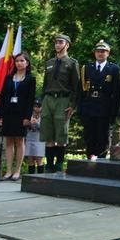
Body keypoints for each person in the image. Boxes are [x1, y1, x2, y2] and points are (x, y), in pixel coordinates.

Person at [41, 34, 80, 172]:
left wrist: (73, 105)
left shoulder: (72, 63)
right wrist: (41, 102)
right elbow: (45, 85)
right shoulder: (49, 62)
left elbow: (76, 87)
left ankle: (59, 164)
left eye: (60, 42)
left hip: (63, 100)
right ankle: (49, 164)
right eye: (56, 42)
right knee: (48, 133)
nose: (57, 45)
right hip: (48, 99)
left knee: (61, 133)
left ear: (67, 45)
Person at [0, 52, 36, 180]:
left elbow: (30, 100)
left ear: (27, 63)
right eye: (17, 61)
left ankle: (17, 170)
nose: (19, 63)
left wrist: (27, 117)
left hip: (21, 114)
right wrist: (0, 114)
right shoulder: (8, 78)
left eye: (22, 61)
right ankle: (8, 170)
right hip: (8, 113)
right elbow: (2, 97)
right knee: (8, 141)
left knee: (19, 141)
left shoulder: (31, 79)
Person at [80, 40, 120, 159]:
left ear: (108, 53)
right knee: (89, 137)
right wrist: (81, 109)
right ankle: (89, 163)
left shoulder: (113, 69)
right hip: (89, 107)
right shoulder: (87, 68)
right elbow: (82, 91)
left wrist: (114, 113)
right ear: (94, 53)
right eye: (98, 51)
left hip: (105, 108)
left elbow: (116, 93)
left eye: (103, 51)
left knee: (103, 138)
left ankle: (101, 164)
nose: (100, 54)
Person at [25, 99, 45, 173]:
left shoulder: (44, 116)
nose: (35, 108)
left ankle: (40, 179)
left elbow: (46, 129)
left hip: (39, 139)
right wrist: (29, 123)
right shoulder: (28, 115)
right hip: (29, 138)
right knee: (30, 159)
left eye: (38, 106)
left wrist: (37, 123)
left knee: (39, 160)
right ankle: (30, 178)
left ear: (41, 107)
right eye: (34, 106)